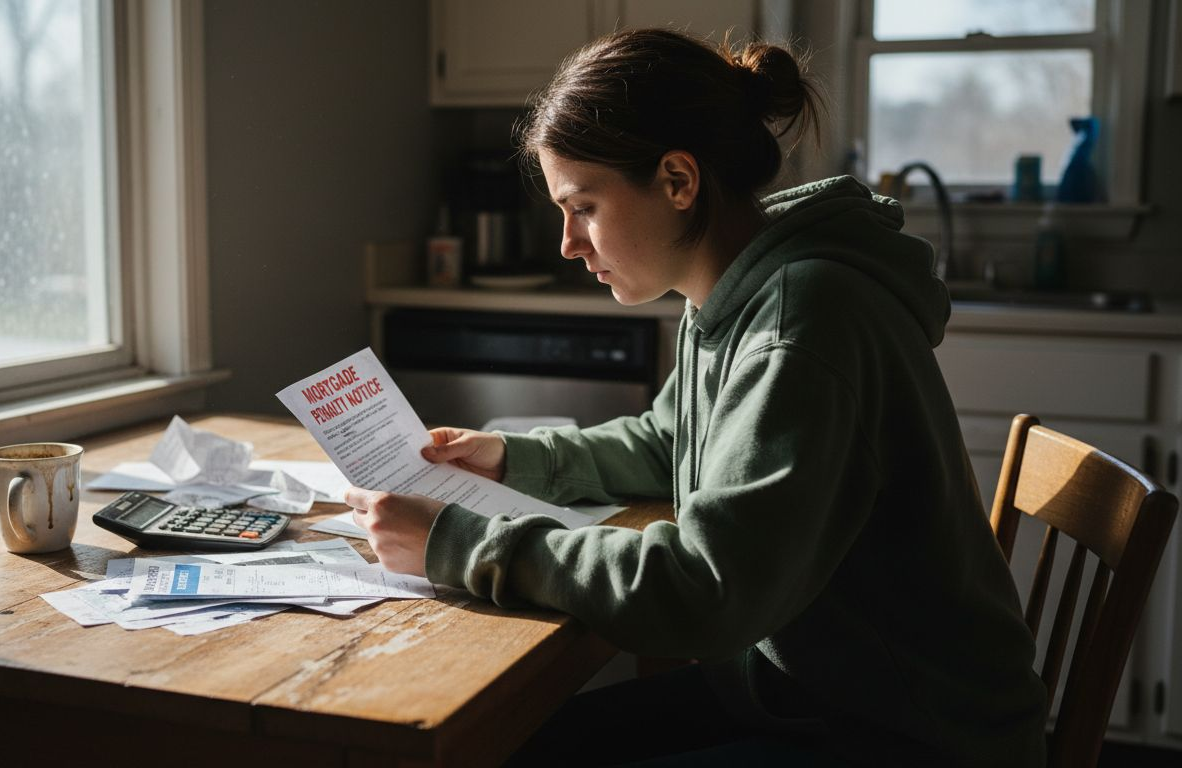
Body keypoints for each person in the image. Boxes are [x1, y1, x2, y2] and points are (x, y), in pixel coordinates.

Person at [343, 28, 1046, 767]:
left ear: (679, 181)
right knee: (516, 743)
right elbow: (667, 438)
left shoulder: (801, 322)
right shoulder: (737, 289)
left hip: (905, 735)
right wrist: (513, 457)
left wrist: (457, 543)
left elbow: (706, 592)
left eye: (582, 207)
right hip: (805, 690)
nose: (567, 244)